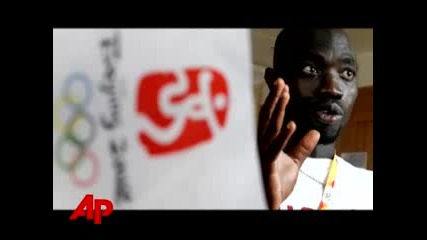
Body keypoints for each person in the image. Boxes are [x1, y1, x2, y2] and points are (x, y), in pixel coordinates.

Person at [257, 28, 373, 210]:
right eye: (311, 70)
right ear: (274, 81)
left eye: (347, 73)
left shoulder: (369, 188)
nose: (333, 89)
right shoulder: (238, 179)